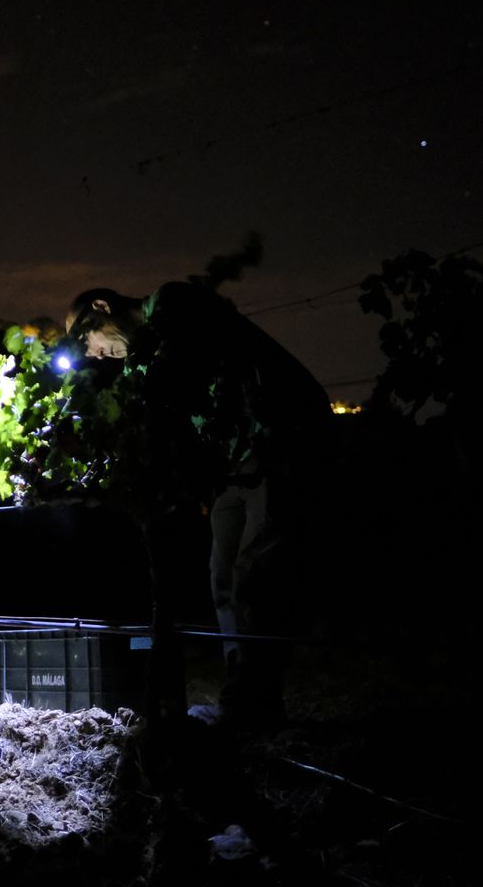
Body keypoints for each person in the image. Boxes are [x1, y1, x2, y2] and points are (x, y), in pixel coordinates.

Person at [66, 282, 331, 728]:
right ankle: (245, 701)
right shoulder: (144, 359)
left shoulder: (172, 305)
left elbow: (181, 376)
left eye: (84, 339)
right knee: (223, 577)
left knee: (256, 574)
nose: (91, 354)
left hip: (279, 440)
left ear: (101, 308)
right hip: (232, 463)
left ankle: (254, 708)